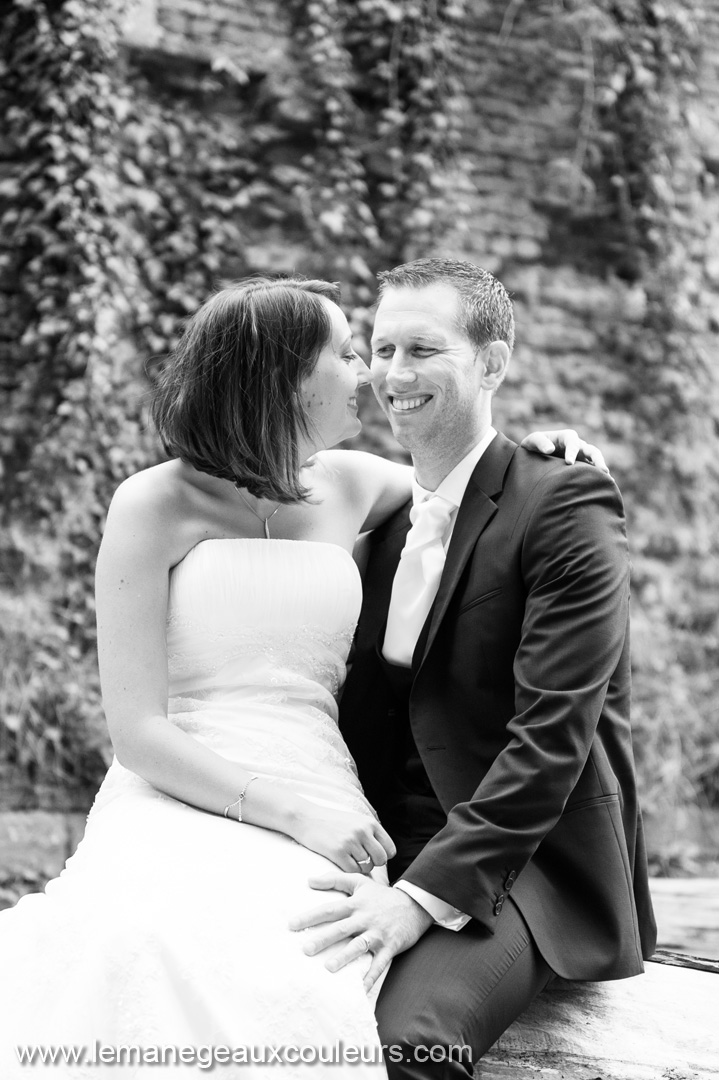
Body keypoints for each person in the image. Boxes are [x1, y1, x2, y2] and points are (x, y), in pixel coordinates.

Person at [0, 275, 603, 1079]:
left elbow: (479, 483)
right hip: (183, 783)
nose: (372, 375)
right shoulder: (150, 505)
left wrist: (550, 449)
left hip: (323, 781)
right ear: (280, 375)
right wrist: (291, 815)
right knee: (132, 937)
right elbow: (138, 731)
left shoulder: (356, 482)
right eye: (351, 354)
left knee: (301, 964)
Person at [289, 259, 658, 1078]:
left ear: (492, 363)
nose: (393, 374)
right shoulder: (377, 531)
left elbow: (552, 739)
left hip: (529, 864)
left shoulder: (563, 502)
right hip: (382, 841)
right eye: (380, 349)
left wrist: (415, 901)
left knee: (409, 1045)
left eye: (423, 348)